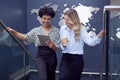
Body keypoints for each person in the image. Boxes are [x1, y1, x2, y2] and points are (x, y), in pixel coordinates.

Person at [8, 6, 60, 80]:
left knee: (51, 77)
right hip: (40, 57)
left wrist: (52, 46)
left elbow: (57, 48)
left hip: (51, 57)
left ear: (51, 19)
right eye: (44, 18)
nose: (46, 21)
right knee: (43, 78)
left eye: (48, 19)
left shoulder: (56, 31)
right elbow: (26, 37)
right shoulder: (36, 30)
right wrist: (14, 32)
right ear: (41, 18)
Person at [59, 9, 105, 80]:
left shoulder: (81, 29)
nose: (66, 21)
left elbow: (90, 42)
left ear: (73, 19)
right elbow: (62, 47)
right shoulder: (62, 29)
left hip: (77, 60)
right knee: (62, 78)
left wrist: (99, 36)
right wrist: (63, 45)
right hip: (65, 59)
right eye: (65, 19)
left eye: (67, 19)